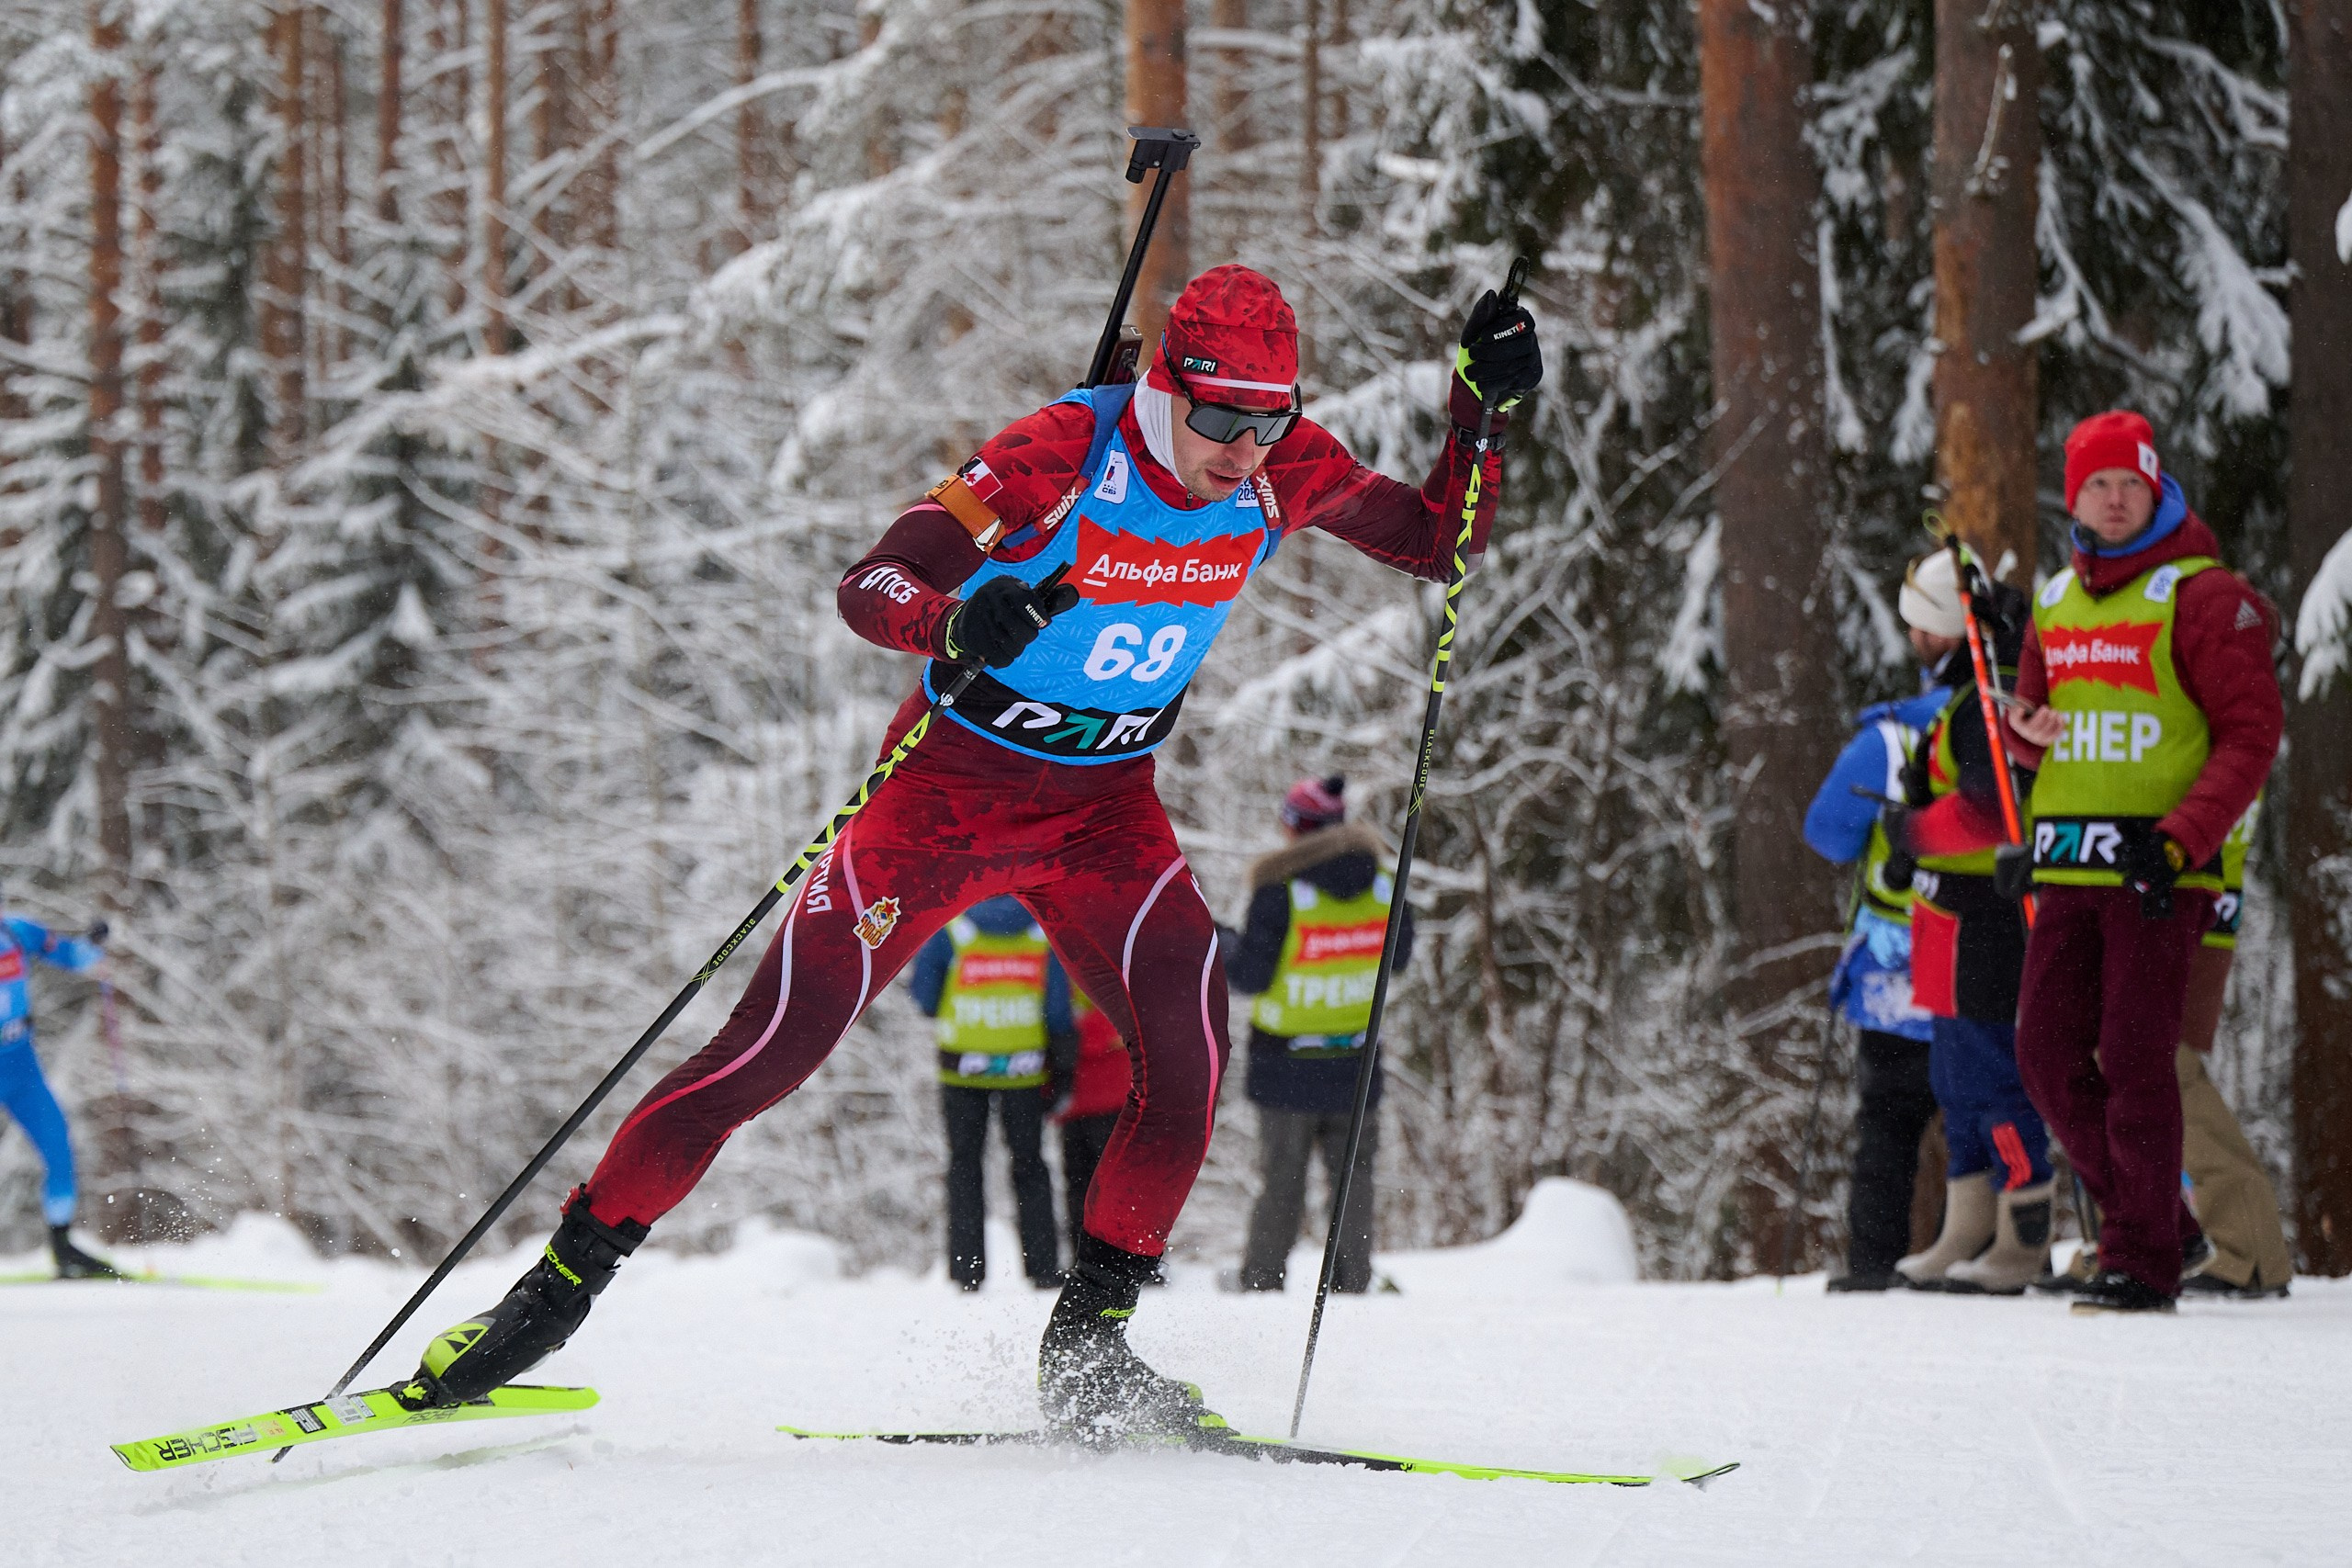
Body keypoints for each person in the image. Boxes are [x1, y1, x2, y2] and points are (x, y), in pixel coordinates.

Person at [414, 265, 1543, 1435]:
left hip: (1106, 812)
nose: (1244, 450)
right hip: (944, 802)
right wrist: (949, 620)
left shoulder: (1282, 467)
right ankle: (544, 1303)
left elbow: (1432, 540)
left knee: (1190, 1056)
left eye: (1270, 420)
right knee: (767, 1054)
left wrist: (1477, 415)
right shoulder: (1059, 451)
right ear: (1165, 388)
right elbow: (872, 584)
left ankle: (1088, 1358)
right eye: (1218, 418)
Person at [2006, 411, 2282, 1314]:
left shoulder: (2202, 596)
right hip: (2069, 871)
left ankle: (2143, 1259)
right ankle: (2158, 1216)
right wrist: (2028, 749)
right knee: (2044, 1057)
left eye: (2130, 482)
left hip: (2158, 874)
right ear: (2072, 495)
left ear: (2157, 486)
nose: (2114, 499)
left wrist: (2181, 841)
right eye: (2096, 485)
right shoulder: (2052, 602)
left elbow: (2251, 736)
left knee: (2134, 1059)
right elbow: (2037, 734)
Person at [1874, 549, 2057, 1294]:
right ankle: (1966, 1222)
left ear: (1942, 631)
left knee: (1994, 1077)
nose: (1912, 639)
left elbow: (1988, 812)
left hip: (1987, 919)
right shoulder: (1961, 697)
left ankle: (2025, 1230)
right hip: (1949, 922)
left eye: (1920, 627)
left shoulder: (1986, 698)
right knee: (1955, 1078)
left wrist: (1911, 831)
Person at [1218, 775, 1408, 1295]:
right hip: (1357, 1058)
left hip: (1287, 1065)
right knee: (1354, 1178)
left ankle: (1261, 1280)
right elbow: (1402, 956)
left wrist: (1226, 943)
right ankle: (1354, 1281)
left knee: (1283, 1180)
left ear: (1295, 827)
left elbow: (1251, 976)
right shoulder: (1385, 885)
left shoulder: (1281, 891)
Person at [1802, 681, 1950, 1292]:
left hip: (1897, 963)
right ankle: (2002, 1253)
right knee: (1992, 1114)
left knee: (1888, 1124)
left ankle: (1872, 1265)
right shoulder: (2017, 724)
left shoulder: (1892, 739)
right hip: (1991, 956)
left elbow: (1828, 833)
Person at [905, 896, 1073, 1291]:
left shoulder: (953, 927)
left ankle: (967, 1270)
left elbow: (924, 994)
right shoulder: (1039, 929)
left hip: (962, 1066)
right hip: (1024, 1069)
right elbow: (1058, 1006)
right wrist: (1063, 1065)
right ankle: (1044, 1267)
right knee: (1030, 1164)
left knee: (964, 1165)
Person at [2172, 797, 2291, 1298]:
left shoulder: (2216, 719)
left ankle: (2248, 1248)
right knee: (2133, 1071)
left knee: (2161, 1071)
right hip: (2163, 891)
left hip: (2186, 894)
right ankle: (2138, 1238)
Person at [0, 897, 118, 1279]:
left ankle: (63, 1249)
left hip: (20, 1066)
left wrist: (91, 950)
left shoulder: (16, 932)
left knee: (57, 1141)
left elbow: (67, 953)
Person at [1052, 987, 1133, 1264]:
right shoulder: (1057, 968)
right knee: (1081, 1186)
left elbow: (1123, 1022)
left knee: (1114, 1185)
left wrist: (1066, 1040)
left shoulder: (1107, 968)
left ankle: (1125, 1259)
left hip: (1110, 1101)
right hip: (1075, 1102)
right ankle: (1085, 1260)